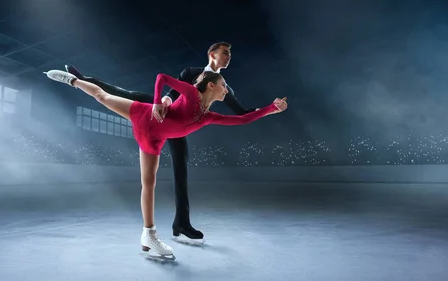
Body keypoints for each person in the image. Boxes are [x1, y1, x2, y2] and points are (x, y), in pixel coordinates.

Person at [44, 68, 287, 259]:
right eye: (224, 86)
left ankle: (148, 235)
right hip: (143, 114)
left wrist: (270, 109)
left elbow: (243, 119)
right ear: (211, 85)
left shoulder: (209, 116)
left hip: (154, 139)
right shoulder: (192, 93)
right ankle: (71, 80)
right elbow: (163, 77)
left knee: (148, 184)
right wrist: (159, 101)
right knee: (102, 96)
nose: (227, 91)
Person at [63, 42, 259, 243]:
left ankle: (181, 223)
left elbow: (242, 113)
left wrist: (269, 108)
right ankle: (82, 80)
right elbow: (171, 90)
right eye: (225, 53)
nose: (228, 57)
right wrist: (164, 100)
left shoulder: (223, 88)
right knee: (128, 95)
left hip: (178, 128)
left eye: (229, 54)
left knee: (181, 169)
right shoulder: (191, 72)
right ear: (212, 54)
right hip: (162, 113)